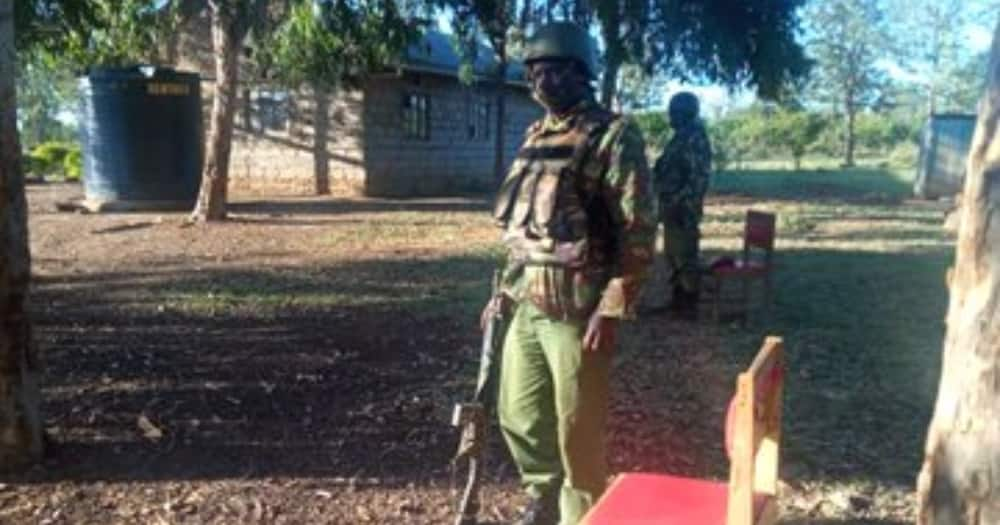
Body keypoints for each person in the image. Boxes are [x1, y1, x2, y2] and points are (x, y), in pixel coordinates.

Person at [481, 21, 656, 525]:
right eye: (535, 72)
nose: (543, 82)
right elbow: (526, 229)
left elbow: (639, 226)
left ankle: (582, 514)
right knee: (518, 412)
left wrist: (614, 304)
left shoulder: (613, 134)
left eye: (555, 70)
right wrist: (505, 294)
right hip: (528, 304)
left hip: (578, 310)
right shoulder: (536, 134)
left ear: (582, 74)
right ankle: (542, 496)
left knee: (577, 427)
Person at [653, 92, 712, 320]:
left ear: (686, 113)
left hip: (683, 210)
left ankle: (688, 306)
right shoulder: (680, 137)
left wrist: (682, 204)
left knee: (685, 256)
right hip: (670, 206)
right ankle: (677, 301)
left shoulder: (694, 138)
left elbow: (697, 179)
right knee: (674, 255)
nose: (670, 116)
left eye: (674, 111)